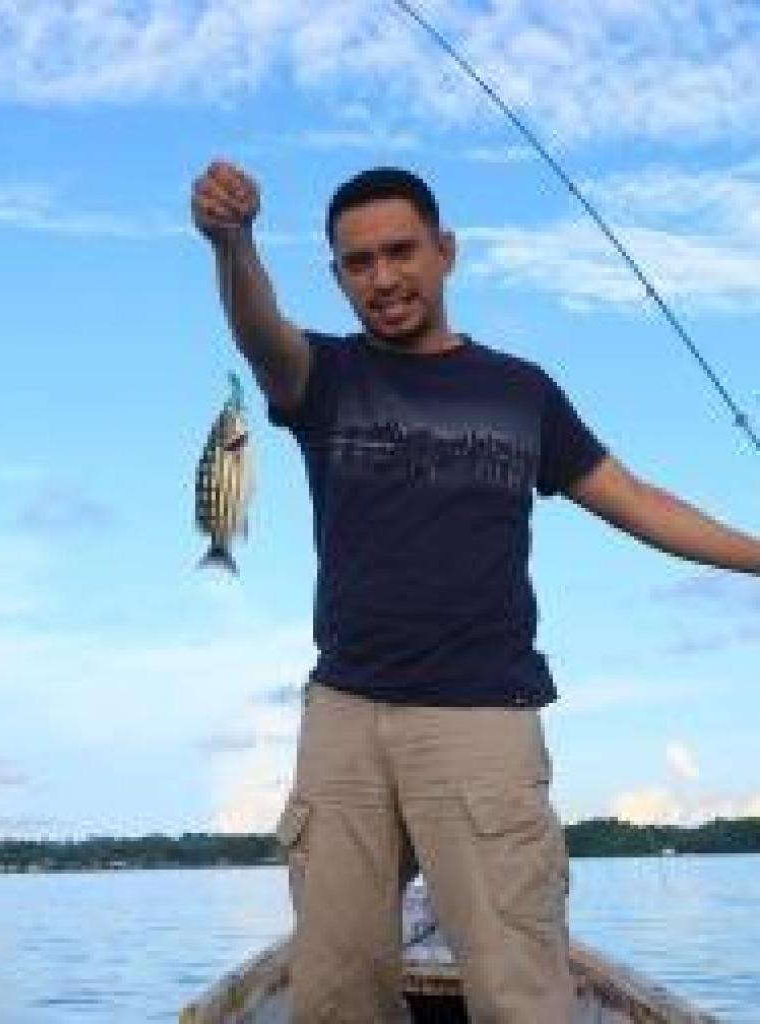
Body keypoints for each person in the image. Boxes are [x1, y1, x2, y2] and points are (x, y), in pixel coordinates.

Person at [190, 161, 760, 1023]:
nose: (383, 277)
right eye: (358, 263)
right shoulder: (324, 377)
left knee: (520, 993)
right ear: (338, 277)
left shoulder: (519, 391)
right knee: (334, 990)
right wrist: (231, 242)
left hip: (482, 719)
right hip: (343, 718)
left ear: (445, 252)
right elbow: (259, 333)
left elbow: (636, 501)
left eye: (400, 251)